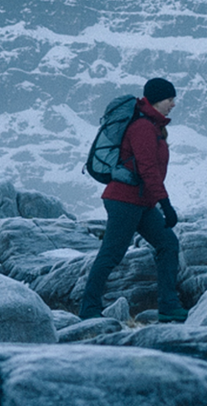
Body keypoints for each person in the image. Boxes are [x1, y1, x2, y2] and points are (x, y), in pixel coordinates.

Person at [77, 77, 186, 323]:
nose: (173, 104)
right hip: (125, 200)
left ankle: (169, 307)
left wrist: (157, 202)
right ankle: (89, 308)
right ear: (158, 100)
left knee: (168, 244)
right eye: (170, 99)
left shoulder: (153, 126)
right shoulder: (143, 128)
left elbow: (149, 171)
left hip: (142, 202)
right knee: (112, 254)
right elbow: (148, 169)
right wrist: (166, 204)